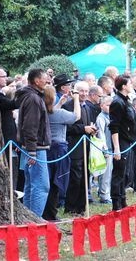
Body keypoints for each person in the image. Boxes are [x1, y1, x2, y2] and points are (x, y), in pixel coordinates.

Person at [16, 68, 51, 216]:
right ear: (37, 81)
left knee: (31, 185)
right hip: (36, 148)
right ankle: (35, 222)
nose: (48, 81)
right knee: (41, 185)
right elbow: (30, 126)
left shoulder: (30, 96)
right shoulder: (33, 99)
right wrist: (32, 151)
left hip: (31, 147)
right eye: (45, 78)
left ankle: (29, 220)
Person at [42, 86, 80, 221]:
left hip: (46, 148)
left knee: (47, 181)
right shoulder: (60, 114)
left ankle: (47, 212)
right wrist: (76, 99)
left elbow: (53, 111)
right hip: (58, 149)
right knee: (56, 181)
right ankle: (51, 213)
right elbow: (76, 116)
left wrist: (60, 103)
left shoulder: (43, 111)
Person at [63, 81, 97, 215]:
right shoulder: (67, 106)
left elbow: (89, 125)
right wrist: (84, 129)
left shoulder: (88, 107)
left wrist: (93, 130)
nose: (84, 94)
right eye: (81, 91)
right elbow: (68, 128)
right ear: (75, 92)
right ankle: (71, 207)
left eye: (86, 91)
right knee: (75, 178)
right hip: (74, 147)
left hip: (86, 146)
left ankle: (82, 206)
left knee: (85, 176)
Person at [109, 75, 136, 210]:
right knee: (119, 172)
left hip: (128, 140)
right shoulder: (117, 102)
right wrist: (116, 148)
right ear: (124, 86)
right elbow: (114, 126)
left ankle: (122, 199)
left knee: (125, 172)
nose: (132, 85)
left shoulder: (126, 101)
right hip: (120, 141)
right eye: (130, 83)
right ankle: (116, 202)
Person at [95, 96, 113, 204]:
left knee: (109, 172)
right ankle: (104, 195)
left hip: (112, 148)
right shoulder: (101, 118)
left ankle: (106, 192)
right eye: (107, 105)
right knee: (105, 174)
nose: (110, 107)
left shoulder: (111, 116)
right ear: (102, 106)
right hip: (106, 149)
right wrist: (104, 149)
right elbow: (101, 134)